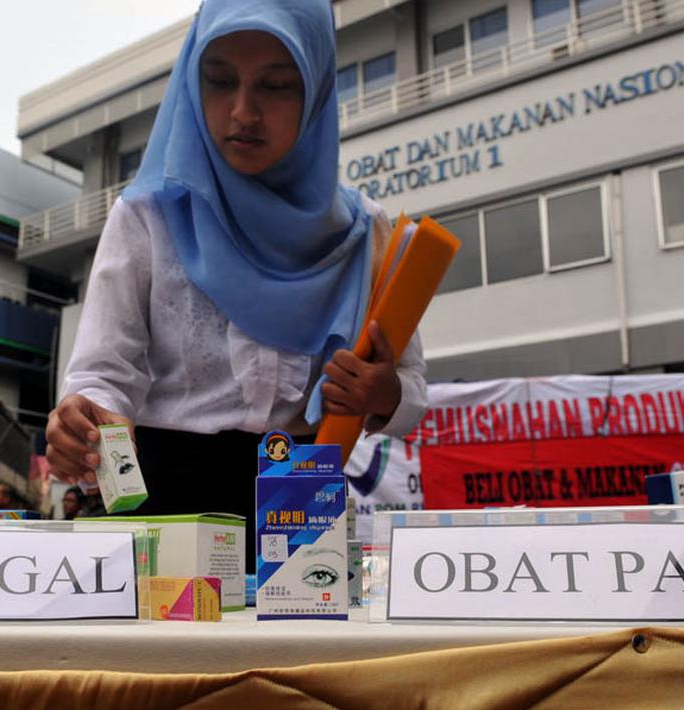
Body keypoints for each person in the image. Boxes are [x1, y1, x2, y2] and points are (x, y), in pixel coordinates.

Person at [46, 0, 426, 566]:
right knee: (165, 655)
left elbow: (411, 387)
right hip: (163, 506)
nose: (243, 111)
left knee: (295, 654)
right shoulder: (149, 216)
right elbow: (103, 375)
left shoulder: (365, 231)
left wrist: (379, 394)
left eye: (276, 86)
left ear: (317, 92)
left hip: (301, 498)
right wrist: (83, 418)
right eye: (219, 80)